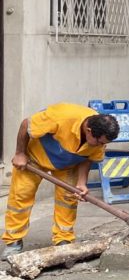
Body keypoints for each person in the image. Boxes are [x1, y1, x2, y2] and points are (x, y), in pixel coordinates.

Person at [3, 103, 120, 258]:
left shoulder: (99, 135)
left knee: (68, 199)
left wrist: (82, 182)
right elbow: (26, 124)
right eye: (100, 143)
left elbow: (89, 156)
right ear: (89, 131)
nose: (102, 146)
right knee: (21, 195)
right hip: (34, 158)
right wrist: (20, 153)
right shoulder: (61, 116)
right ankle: (13, 241)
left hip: (67, 164)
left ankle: (63, 240)